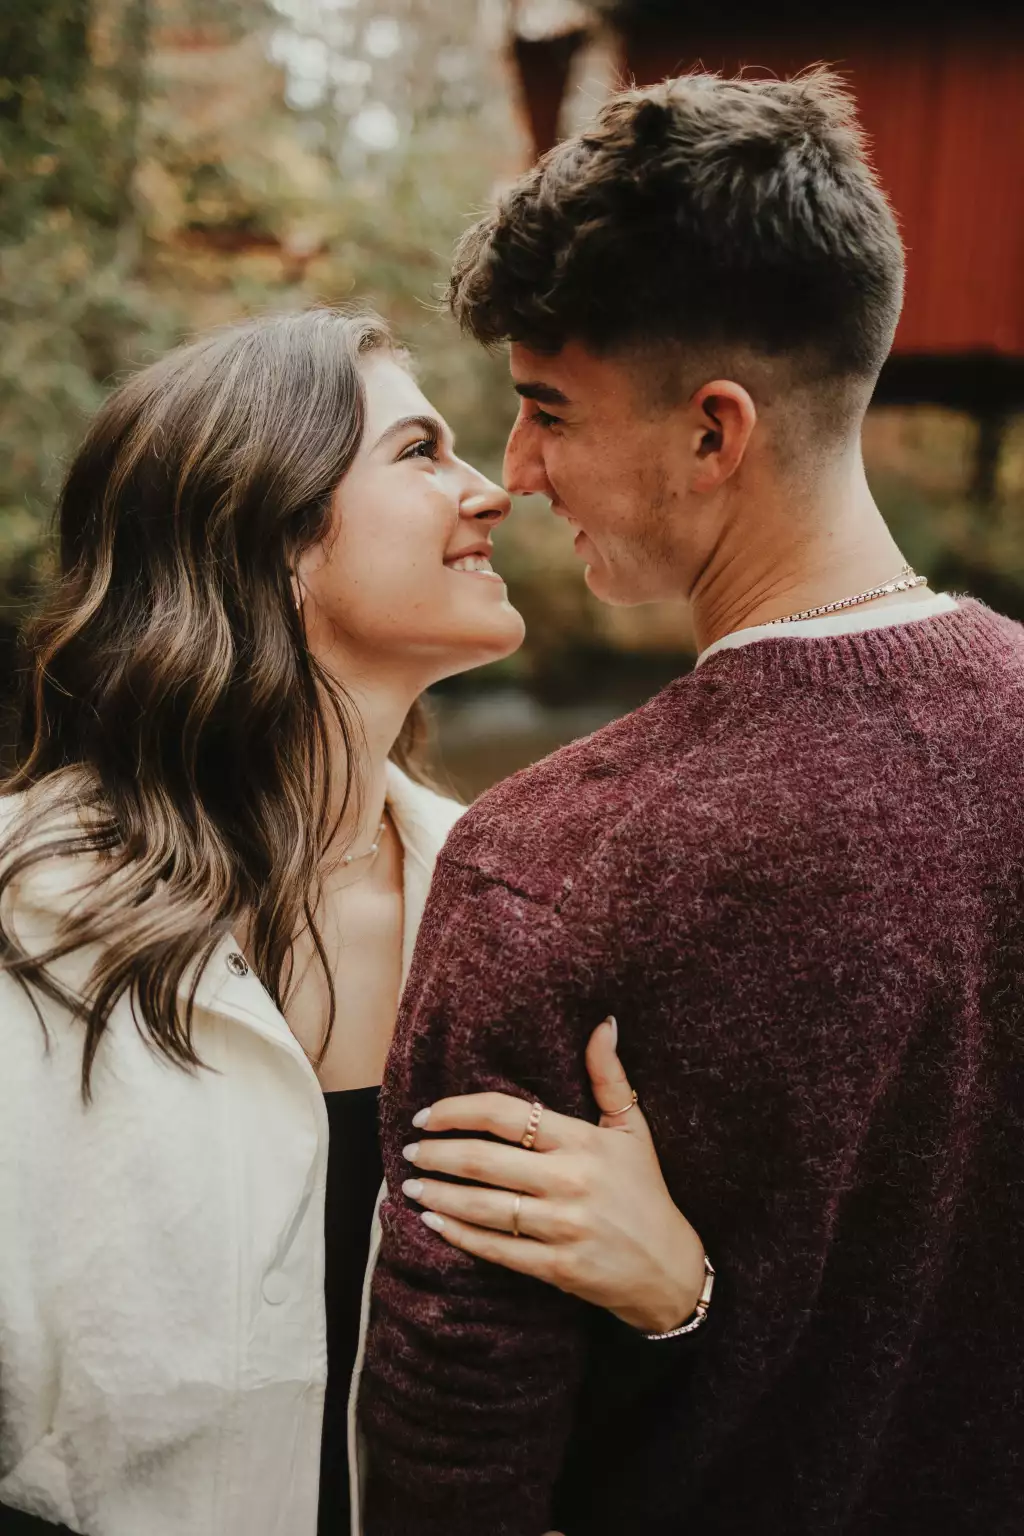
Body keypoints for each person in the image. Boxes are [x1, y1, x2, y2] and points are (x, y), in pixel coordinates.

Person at [359, 69, 1024, 1536]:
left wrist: (702, 1306)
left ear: (714, 433)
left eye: (546, 410)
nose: (518, 474)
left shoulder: (550, 859)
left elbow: (451, 1436)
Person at [0, 310, 705, 1536]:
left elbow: (616, 1435)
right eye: (420, 450)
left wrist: (671, 1291)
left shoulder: (527, 913)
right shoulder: (24, 916)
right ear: (271, 531)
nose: (491, 489)